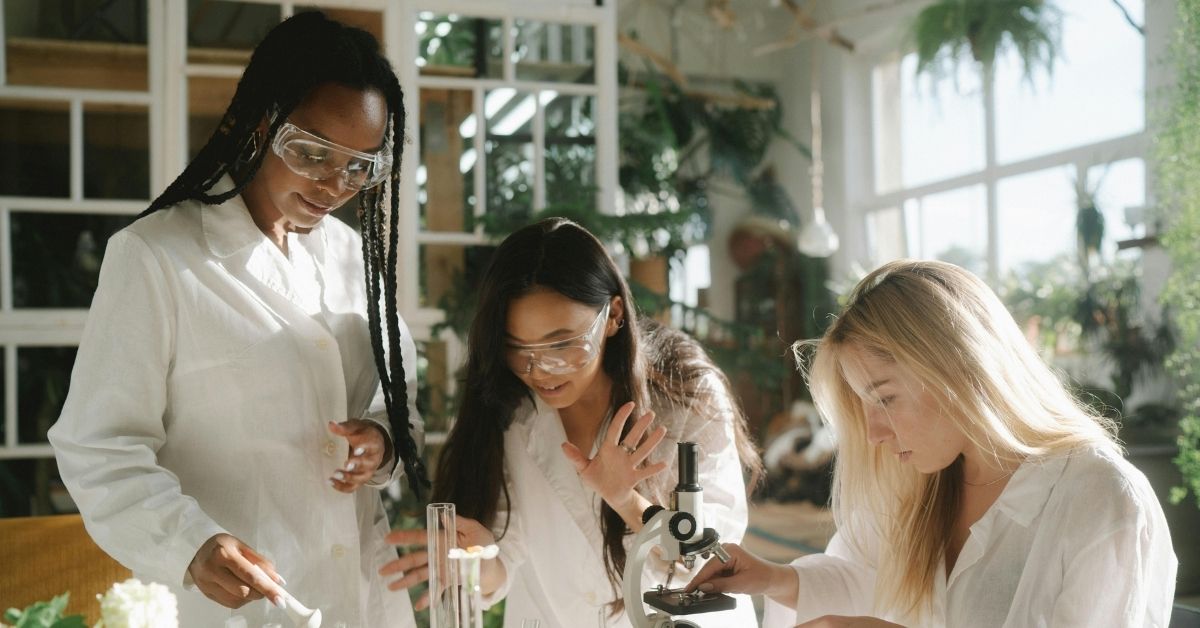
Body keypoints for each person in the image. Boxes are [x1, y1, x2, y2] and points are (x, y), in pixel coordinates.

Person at [48, 12, 426, 627]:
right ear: (259, 122)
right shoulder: (157, 257)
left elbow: (399, 400)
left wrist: (381, 443)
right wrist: (189, 543)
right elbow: (99, 445)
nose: (335, 184)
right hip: (236, 608)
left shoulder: (351, 259)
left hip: (363, 597)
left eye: (360, 167)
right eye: (312, 152)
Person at [685, 259, 1178, 627]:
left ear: (957, 370)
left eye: (886, 399)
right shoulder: (920, 480)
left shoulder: (1100, 499)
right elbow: (868, 580)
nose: (875, 433)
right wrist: (774, 577)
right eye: (864, 407)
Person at [382, 218, 762, 627]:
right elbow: (505, 559)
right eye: (517, 348)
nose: (540, 369)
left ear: (614, 315)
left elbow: (713, 561)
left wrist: (626, 499)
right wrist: (477, 561)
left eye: (562, 344)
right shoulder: (509, 407)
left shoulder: (687, 394)